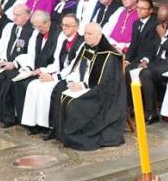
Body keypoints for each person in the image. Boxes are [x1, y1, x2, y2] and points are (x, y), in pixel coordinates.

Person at [50, 22, 128, 152]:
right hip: (84, 85)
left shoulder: (108, 55)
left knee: (75, 104)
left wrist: (83, 85)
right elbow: (77, 68)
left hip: (101, 94)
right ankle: (61, 134)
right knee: (60, 93)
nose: (86, 37)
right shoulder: (86, 47)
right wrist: (74, 82)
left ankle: (75, 136)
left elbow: (106, 83)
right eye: (85, 33)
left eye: (90, 34)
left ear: (99, 35)